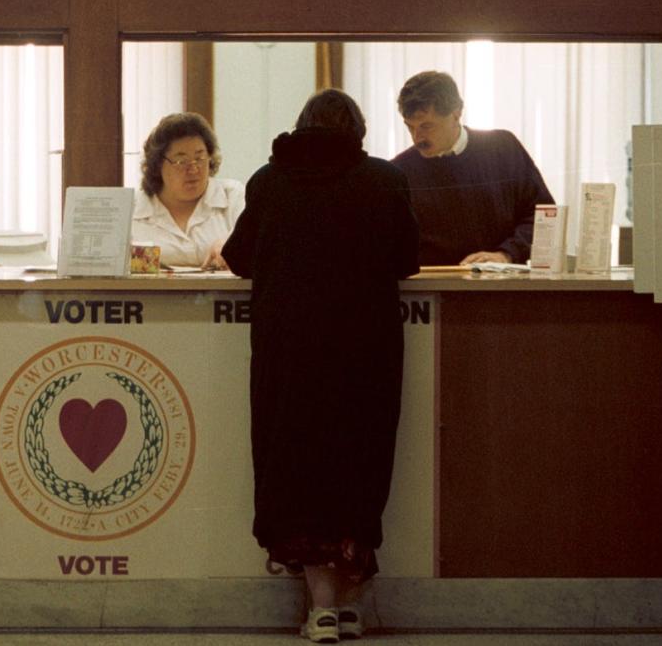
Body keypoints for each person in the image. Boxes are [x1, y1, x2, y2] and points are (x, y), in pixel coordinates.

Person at [222, 89, 418, 644]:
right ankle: (352, 605)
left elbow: (239, 258)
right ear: (357, 129)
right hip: (365, 353)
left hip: (290, 354)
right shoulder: (384, 180)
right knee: (358, 462)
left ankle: (322, 609)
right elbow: (408, 259)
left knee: (297, 467)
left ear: (301, 127)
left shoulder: (269, 180)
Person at [391, 70, 555, 266]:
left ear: (456, 113)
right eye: (410, 127)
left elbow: (544, 217)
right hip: (432, 287)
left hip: (503, 284)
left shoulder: (503, 148)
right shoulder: (399, 170)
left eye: (427, 126)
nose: (417, 138)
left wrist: (506, 254)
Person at [132, 112, 244, 269]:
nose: (193, 169)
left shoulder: (233, 196)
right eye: (180, 161)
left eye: (200, 158)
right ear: (158, 165)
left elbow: (255, 244)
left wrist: (231, 244)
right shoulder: (133, 210)